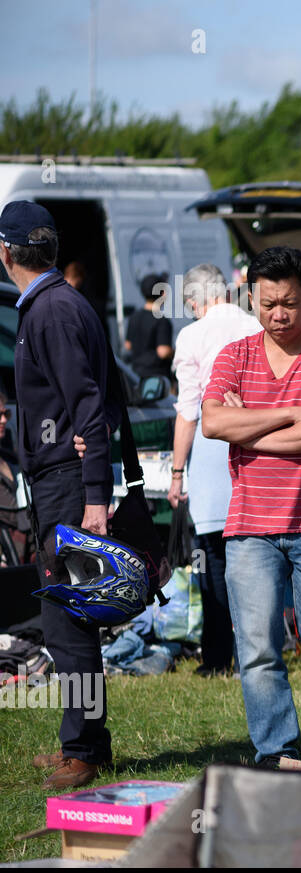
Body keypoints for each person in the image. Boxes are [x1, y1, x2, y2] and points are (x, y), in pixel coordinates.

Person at [201, 245, 301, 768]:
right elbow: (213, 424)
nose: (277, 314)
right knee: (258, 647)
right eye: (266, 303)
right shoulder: (234, 356)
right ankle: (276, 750)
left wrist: (254, 427)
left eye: (288, 302)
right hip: (249, 526)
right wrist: (293, 414)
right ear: (251, 296)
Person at [3, 200, 118, 788]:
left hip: (67, 489)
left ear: (5, 253)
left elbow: (90, 405)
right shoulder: (58, 304)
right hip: (62, 481)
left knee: (66, 623)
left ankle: (84, 751)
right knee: (65, 618)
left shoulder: (49, 311)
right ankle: (86, 741)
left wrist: (94, 494)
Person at [168, 263, 263, 677]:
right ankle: (255, 654)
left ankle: (218, 656)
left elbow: (188, 411)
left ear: (193, 301)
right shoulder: (254, 326)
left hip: (211, 447)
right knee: (257, 555)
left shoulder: (192, 334)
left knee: (213, 558)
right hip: (258, 444)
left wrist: (175, 472)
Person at [0, 389, 31, 564]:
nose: (4, 420)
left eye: (6, 413)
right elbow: (10, 512)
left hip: (24, 543)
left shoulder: (10, 457)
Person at [125, 273, 174, 382]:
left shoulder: (134, 317)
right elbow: (163, 351)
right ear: (162, 294)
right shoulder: (162, 321)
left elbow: (128, 345)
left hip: (136, 374)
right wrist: (174, 352)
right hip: (156, 377)